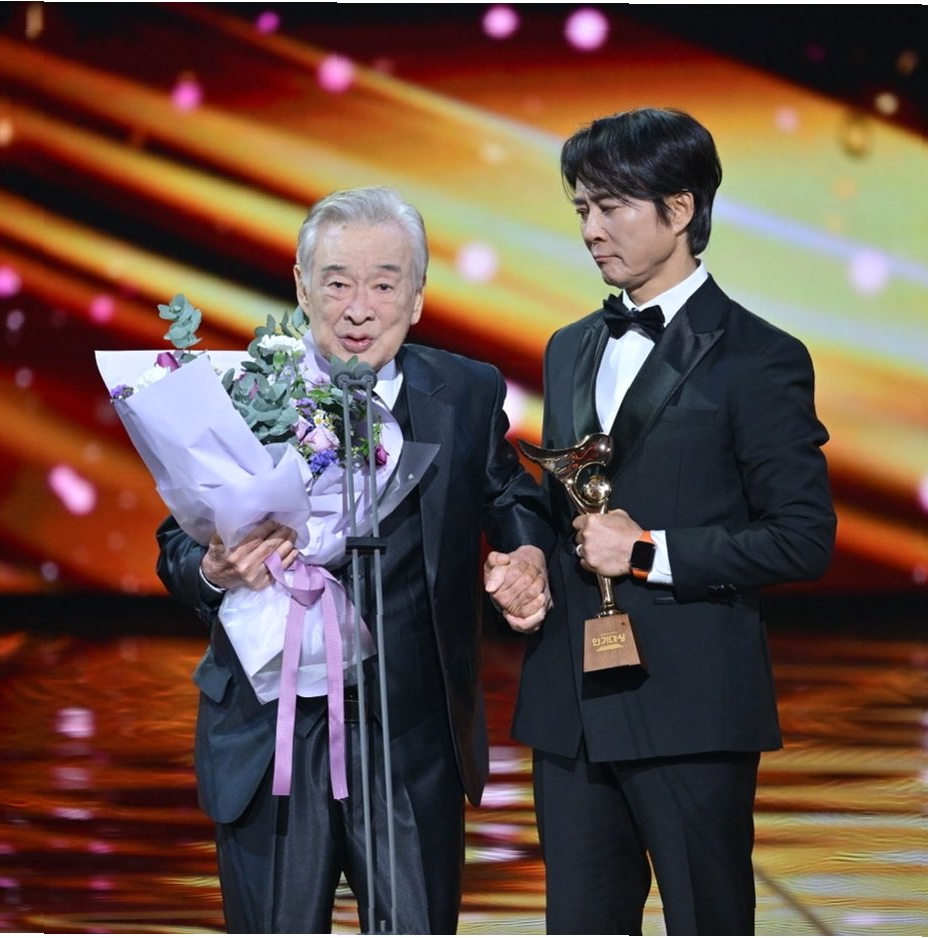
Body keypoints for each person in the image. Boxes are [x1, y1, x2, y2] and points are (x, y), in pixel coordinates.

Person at [156, 186, 553, 934]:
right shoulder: (243, 393)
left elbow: (508, 493)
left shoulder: (463, 392)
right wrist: (214, 568)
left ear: (418, 296)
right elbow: (175, 545)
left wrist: (526, 552)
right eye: (336, 283)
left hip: (411, 738)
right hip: (272, 734)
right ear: (302, 287)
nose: (358, 309)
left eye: (383, 285)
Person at [510, 107, 837, 935]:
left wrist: (647, 551)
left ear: (680, 208)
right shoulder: (568, 346)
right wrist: (524, 562)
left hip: (689, 705)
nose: (591, 230)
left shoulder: (759, 356)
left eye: (611, 207)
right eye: (581, 209)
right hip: (570, 705)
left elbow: (802, 536)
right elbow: (560, 507)